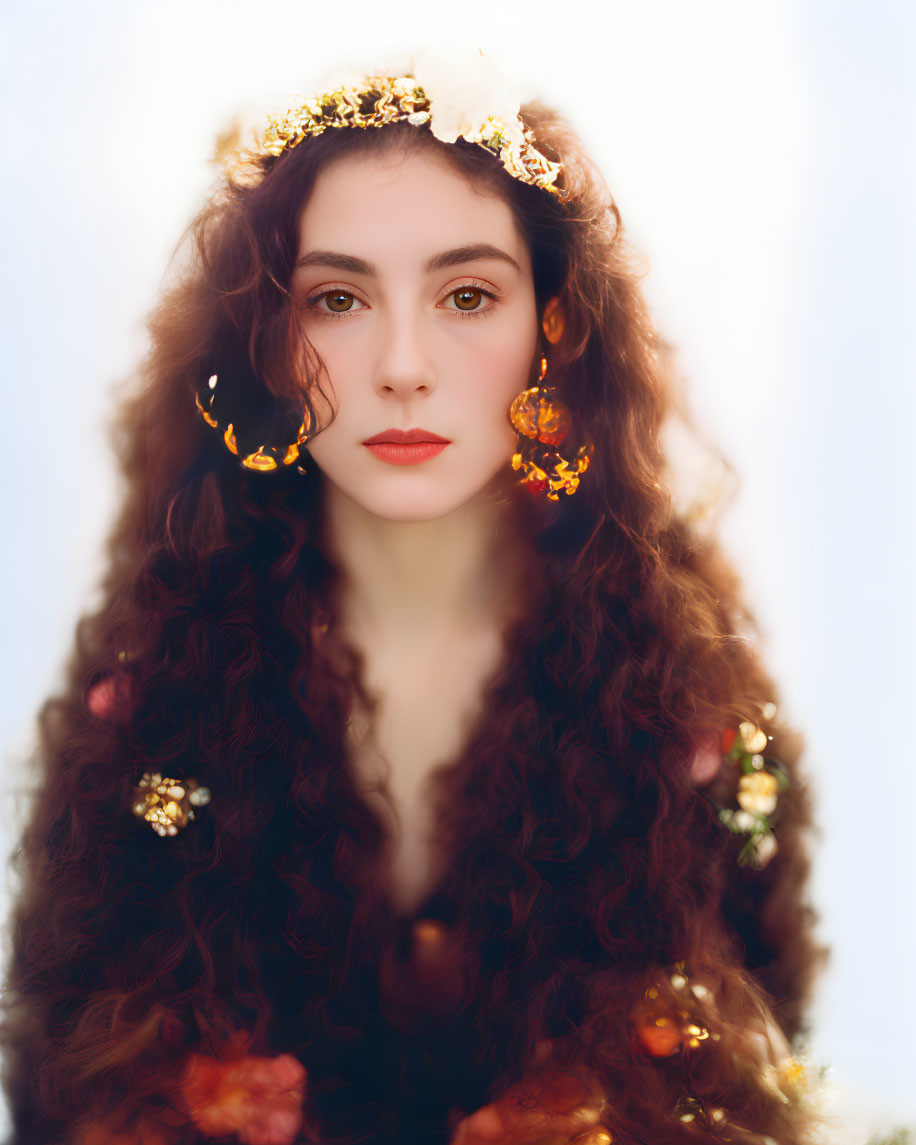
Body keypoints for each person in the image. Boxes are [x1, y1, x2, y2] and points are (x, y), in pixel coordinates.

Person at [1, 66, 821, 1145]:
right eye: (335, 299)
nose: (400, 366)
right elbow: (63, 1056)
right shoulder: (169, 661)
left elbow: (753, 1028)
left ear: (556, 326)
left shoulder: (667, 675)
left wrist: (611, 1098)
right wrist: (171, 1092)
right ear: (269, 344)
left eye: (467, 295)